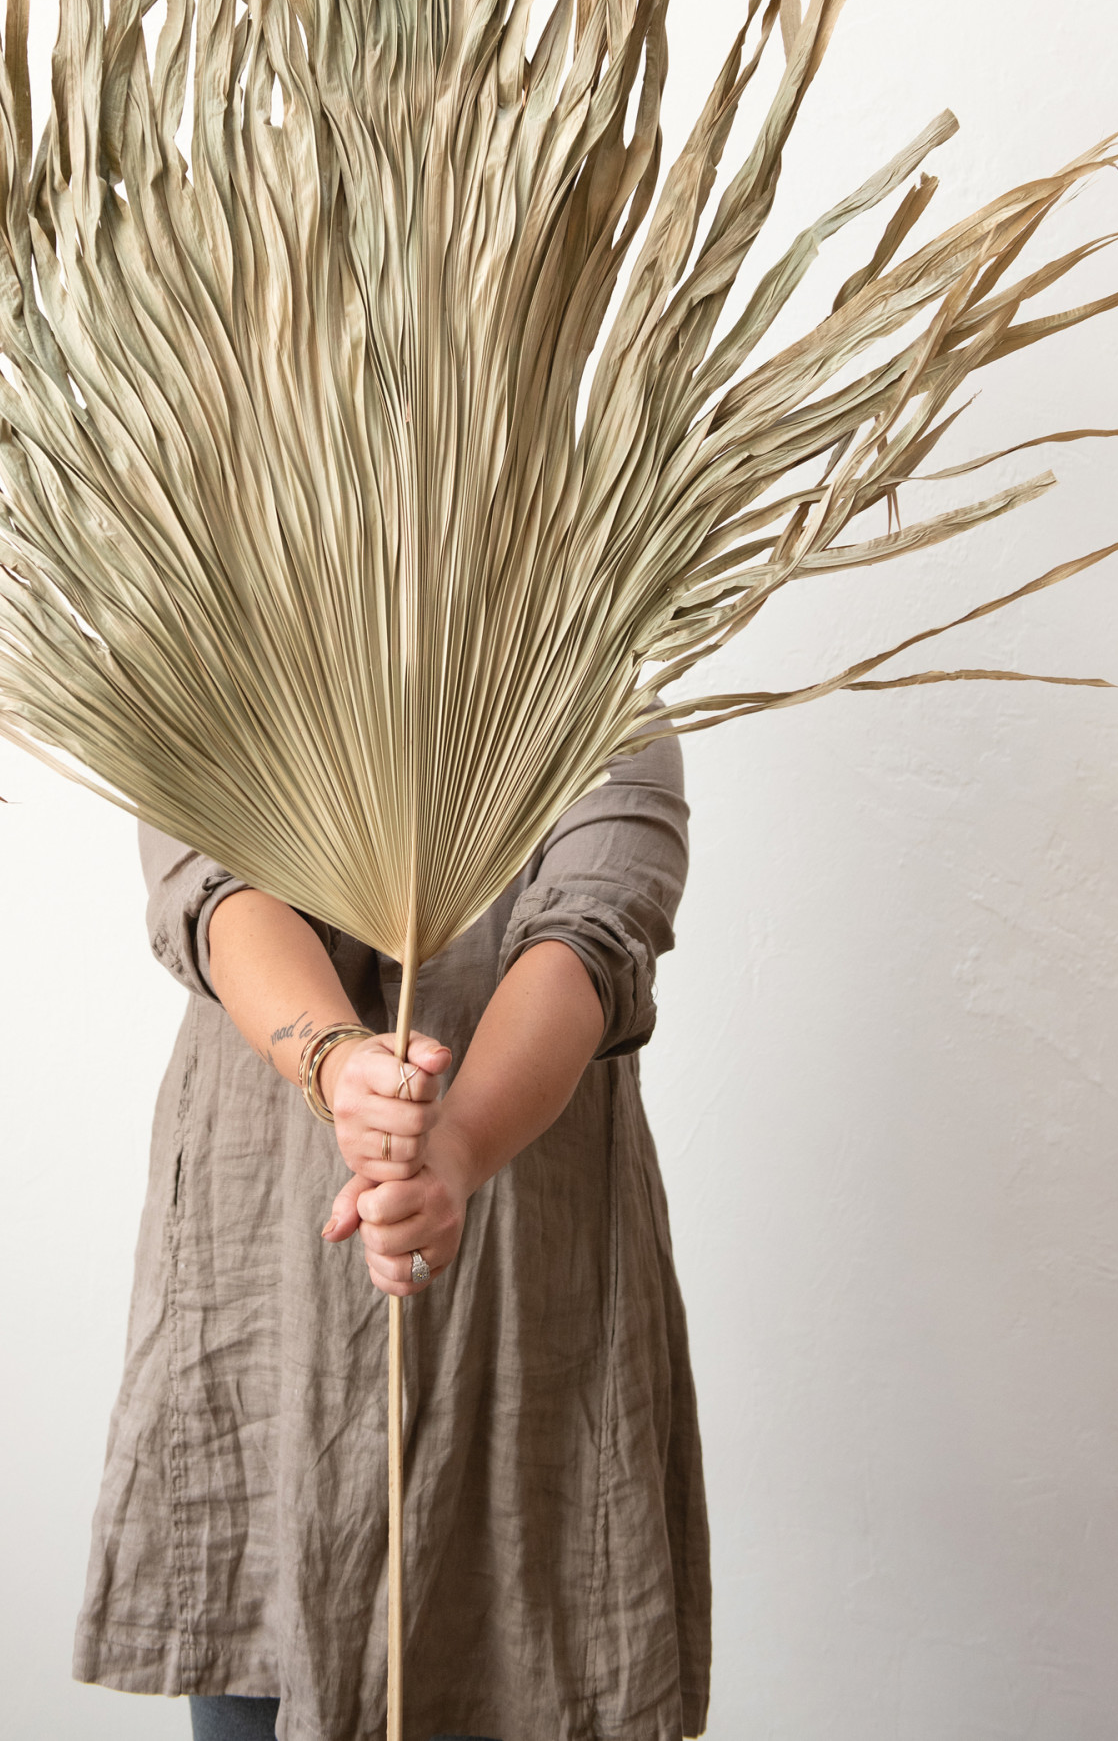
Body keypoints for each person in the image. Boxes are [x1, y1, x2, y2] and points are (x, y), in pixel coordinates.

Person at [73, 735, 709, 1741]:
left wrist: (455, 1150)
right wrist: (337, 1064)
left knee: (527, 1653)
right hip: (269, 1263)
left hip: (524, 1261)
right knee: (264, 1643)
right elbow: (215, 883)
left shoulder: (589, 666)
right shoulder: (224, 654)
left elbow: (595, 924)